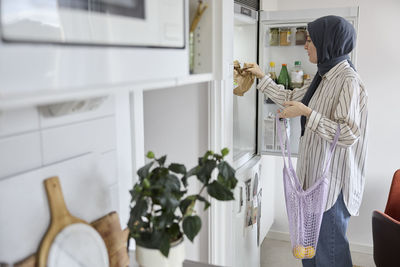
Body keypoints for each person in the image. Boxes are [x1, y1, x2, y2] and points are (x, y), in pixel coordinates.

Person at [245, 15, 368, 267]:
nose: (305, 45)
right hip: (311, 182)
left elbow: (347, 134)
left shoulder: (348, 81)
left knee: (330, 256)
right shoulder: (322, 77)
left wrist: (306, 113)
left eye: (310, 40)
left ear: (327, 42)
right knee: (308, 253)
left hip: (332, 186)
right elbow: (290, 96)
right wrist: (261, 76)